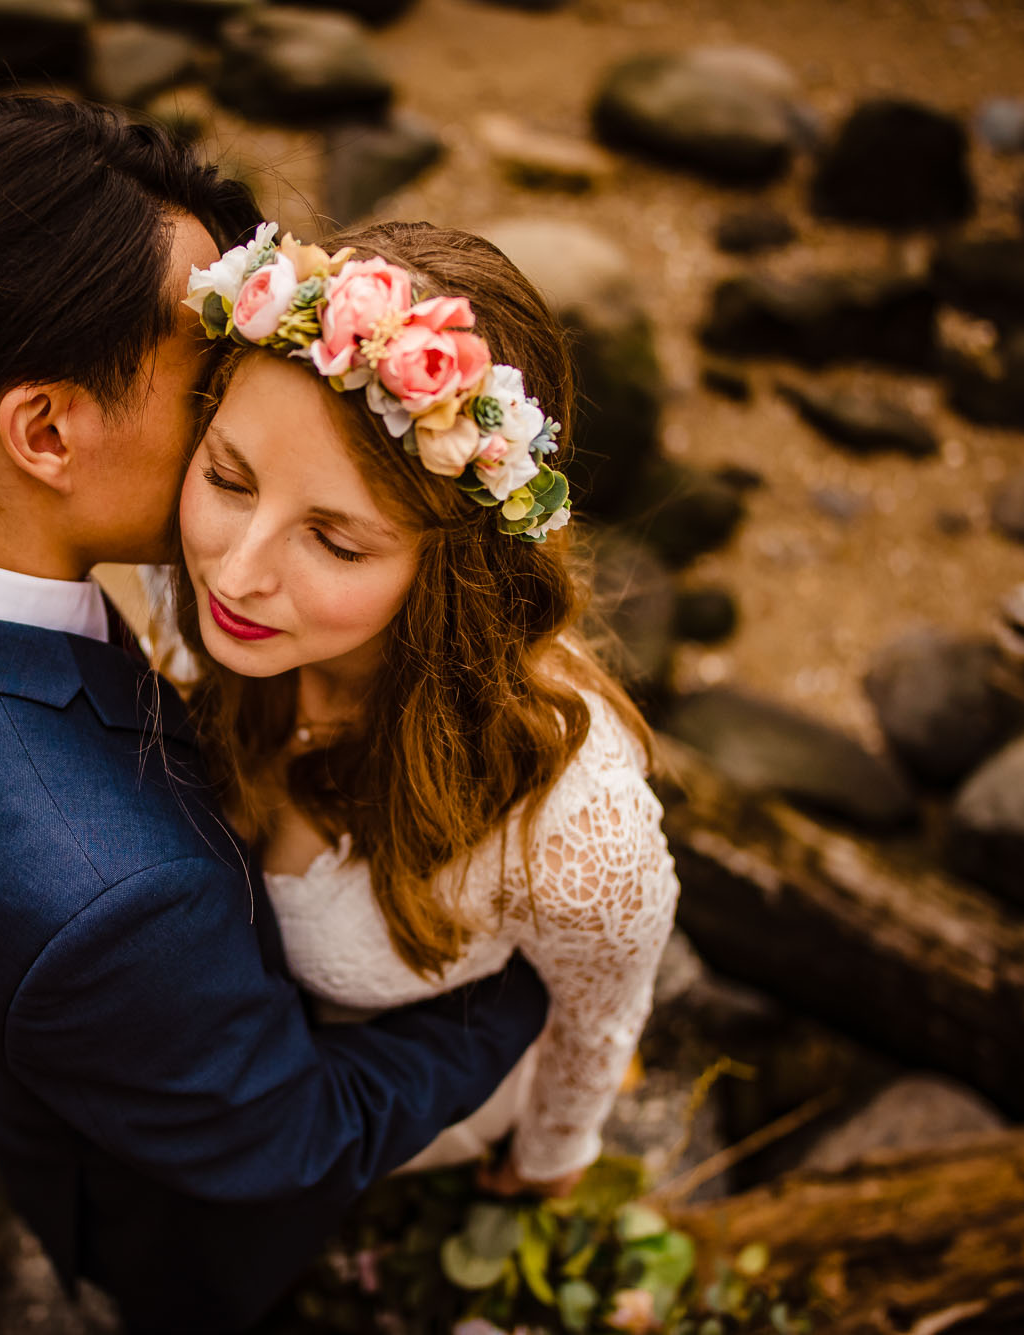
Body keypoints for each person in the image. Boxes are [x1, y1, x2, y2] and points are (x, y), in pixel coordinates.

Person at [0, 96, 551, 1335]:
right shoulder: (107, 898)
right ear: (44, 429)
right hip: (172, 1226)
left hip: (70, 1057)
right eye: (209, 371)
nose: (246, 397)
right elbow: (296, 1136)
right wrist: (523, 997)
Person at [159, 218, 682, 1199]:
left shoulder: (572, 827)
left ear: (452, 570)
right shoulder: (194, 606)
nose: (234, 572)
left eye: (336, 542)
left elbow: (596, 1023)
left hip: (403, 1141)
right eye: (228, 476)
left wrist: (542, 1170)